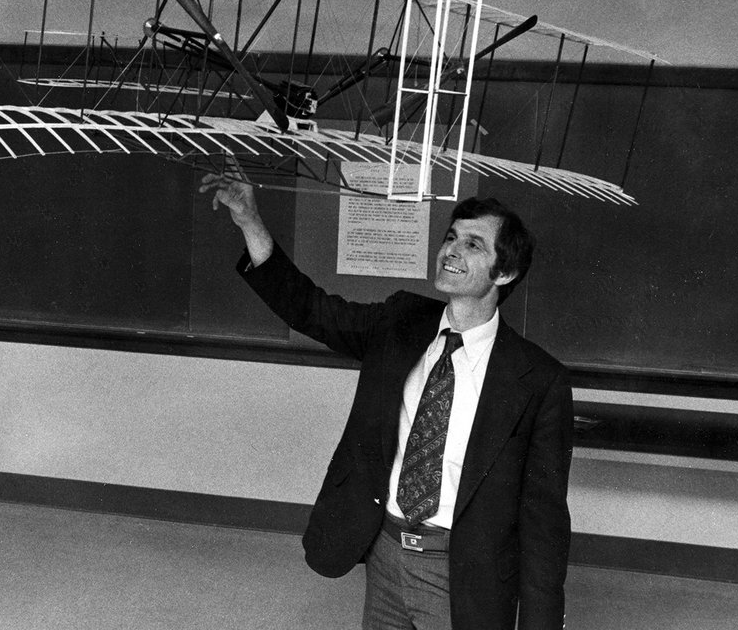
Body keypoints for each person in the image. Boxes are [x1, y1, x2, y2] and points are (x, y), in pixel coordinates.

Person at [200, 169, 573, 630]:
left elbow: (544, 526)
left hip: (463, 572)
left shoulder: (537, 381)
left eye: (473, 245)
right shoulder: (401, 322)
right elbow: (309, 309)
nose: (451, 251)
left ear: (507, 271)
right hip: (387, 554)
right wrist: (250, 220)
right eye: (451, 238)